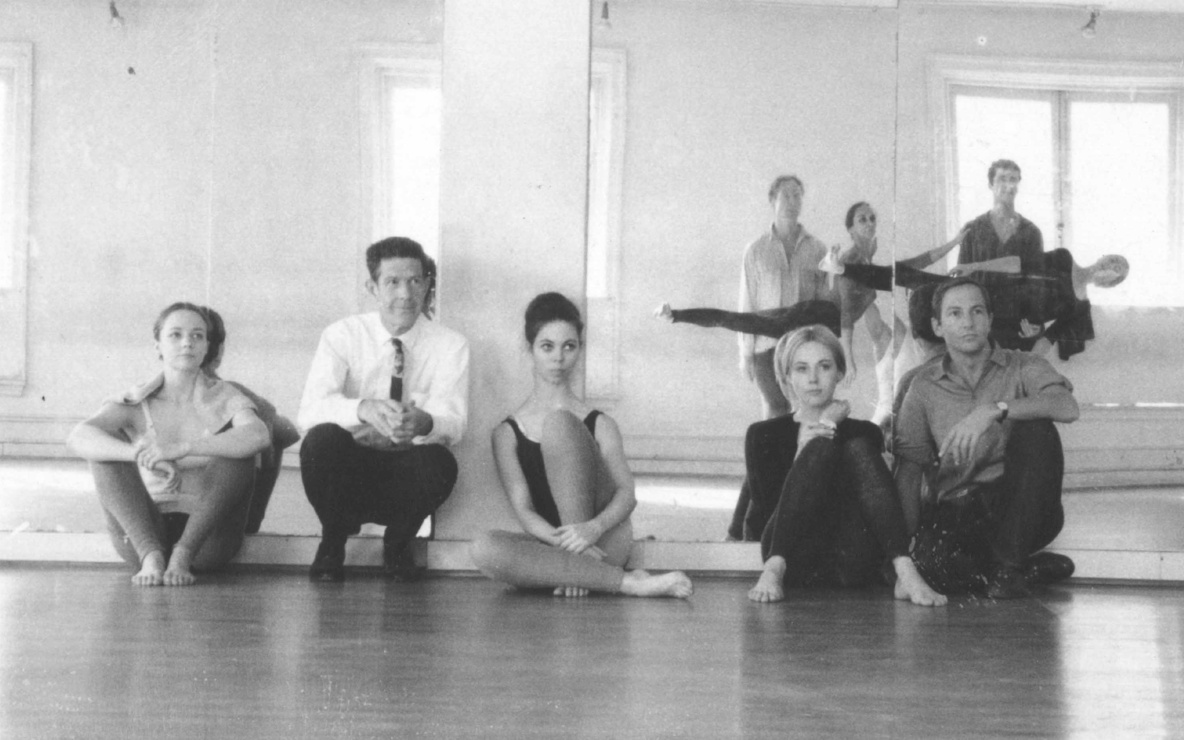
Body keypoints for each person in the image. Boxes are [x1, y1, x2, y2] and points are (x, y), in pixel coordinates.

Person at [470, 293, 693, 599]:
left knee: (559, 424)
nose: (558, 358)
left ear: (580, 348)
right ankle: (627, 582)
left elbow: (627, 495)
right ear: (529, 348)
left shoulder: (600, 423)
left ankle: (587, 574)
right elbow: (524, 511)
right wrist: (568, 547)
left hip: (603, 543)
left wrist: (592, 529)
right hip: (558, 547)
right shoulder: (507, 433)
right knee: (484, 548)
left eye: (569, 346)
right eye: (547, 346)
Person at [894, 278, 1079, 599]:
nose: (968, 322)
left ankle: (1007, 566)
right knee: (934, 566)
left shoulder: (1024, 365)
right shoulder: (922, 386)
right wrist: (902, 550)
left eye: (977, 311)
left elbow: (1067, 406)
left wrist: (995, 410)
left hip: (1023, 508)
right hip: (962, 512)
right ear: (938, 326)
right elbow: (910, 471)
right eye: (955, 313)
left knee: (1037, 428)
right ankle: (1019, 571)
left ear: (990, 320)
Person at [298, 236, 469, 582]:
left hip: (404, 469)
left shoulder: (451, 345)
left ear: (427, 285)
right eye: (392, 282)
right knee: (320, 441)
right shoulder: (342, 335)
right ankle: (333, 541)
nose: (405, 294)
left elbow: (455, 423)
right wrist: (363, 409)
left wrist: (423, 422)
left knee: (440, 462)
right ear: (373, 287)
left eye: (415, 281)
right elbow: (309, 412)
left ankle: (398, 544)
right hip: (351, 468)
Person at [66, 303, 272, 586]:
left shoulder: (227, 397)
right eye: (176, 334)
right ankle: (152, 556)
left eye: (197, 336)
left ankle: (182, 554)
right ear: (158, 346)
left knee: (240, 449)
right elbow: (78, 436)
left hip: (207, 541)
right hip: (143, 536)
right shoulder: (137, 400)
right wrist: (140, 454)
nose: (187, 342)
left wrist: (183, 448)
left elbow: (259, 435)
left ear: (207, 347)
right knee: (104, 451)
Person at [743, 325, 945, 607]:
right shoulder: (763, 434)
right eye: (801, 369)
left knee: (858, 446)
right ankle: (773, 569)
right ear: (787, 376)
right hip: (790, 556)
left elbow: (870, 508)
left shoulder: (864, 432)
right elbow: (768, 509)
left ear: (839, 372)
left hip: (851, 557)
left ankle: (905, 571)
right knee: (821, 447)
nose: (813, 379)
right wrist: (809, 443)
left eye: (824, 366)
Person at [827, 247, 1129, 360]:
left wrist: (1032, 338)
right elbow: (1017, 262)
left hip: (1002, 328)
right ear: (1103, 256)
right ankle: (843, 269)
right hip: (989, 291)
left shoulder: (1080, 309)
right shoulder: (1063, 258)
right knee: (918, 279)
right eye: (1113, 260)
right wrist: (975, 266)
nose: (1110, 267)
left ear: (1110, 283)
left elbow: (1046, 341)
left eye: (1117, 271)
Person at [739, 175, 839, 419]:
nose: (792, 202)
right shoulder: (756, 250)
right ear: (772, 200)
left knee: (804, 412)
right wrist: (746, 353)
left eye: (797, 196)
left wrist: (835, 271)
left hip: (803, 348)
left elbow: (824, 303)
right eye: (786, 195)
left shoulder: (817, 249)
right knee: (775, 409)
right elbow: (746, 304)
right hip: (766, 348)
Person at [202, 307, 301, 534]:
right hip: (224, 517)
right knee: (274, 427)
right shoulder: (235, 394)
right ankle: (252, 520)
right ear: (219, 349)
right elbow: (288, 432)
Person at [956, 159, 1046, 349]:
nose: (1009, 185)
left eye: (1013, 179)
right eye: (1002, 179)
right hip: (979, 325)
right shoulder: (972, 230)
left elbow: (1037, 283)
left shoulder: (1031, 232)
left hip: (1018, 327)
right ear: (991, 184)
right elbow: (962, 282)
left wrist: (1036, 324)